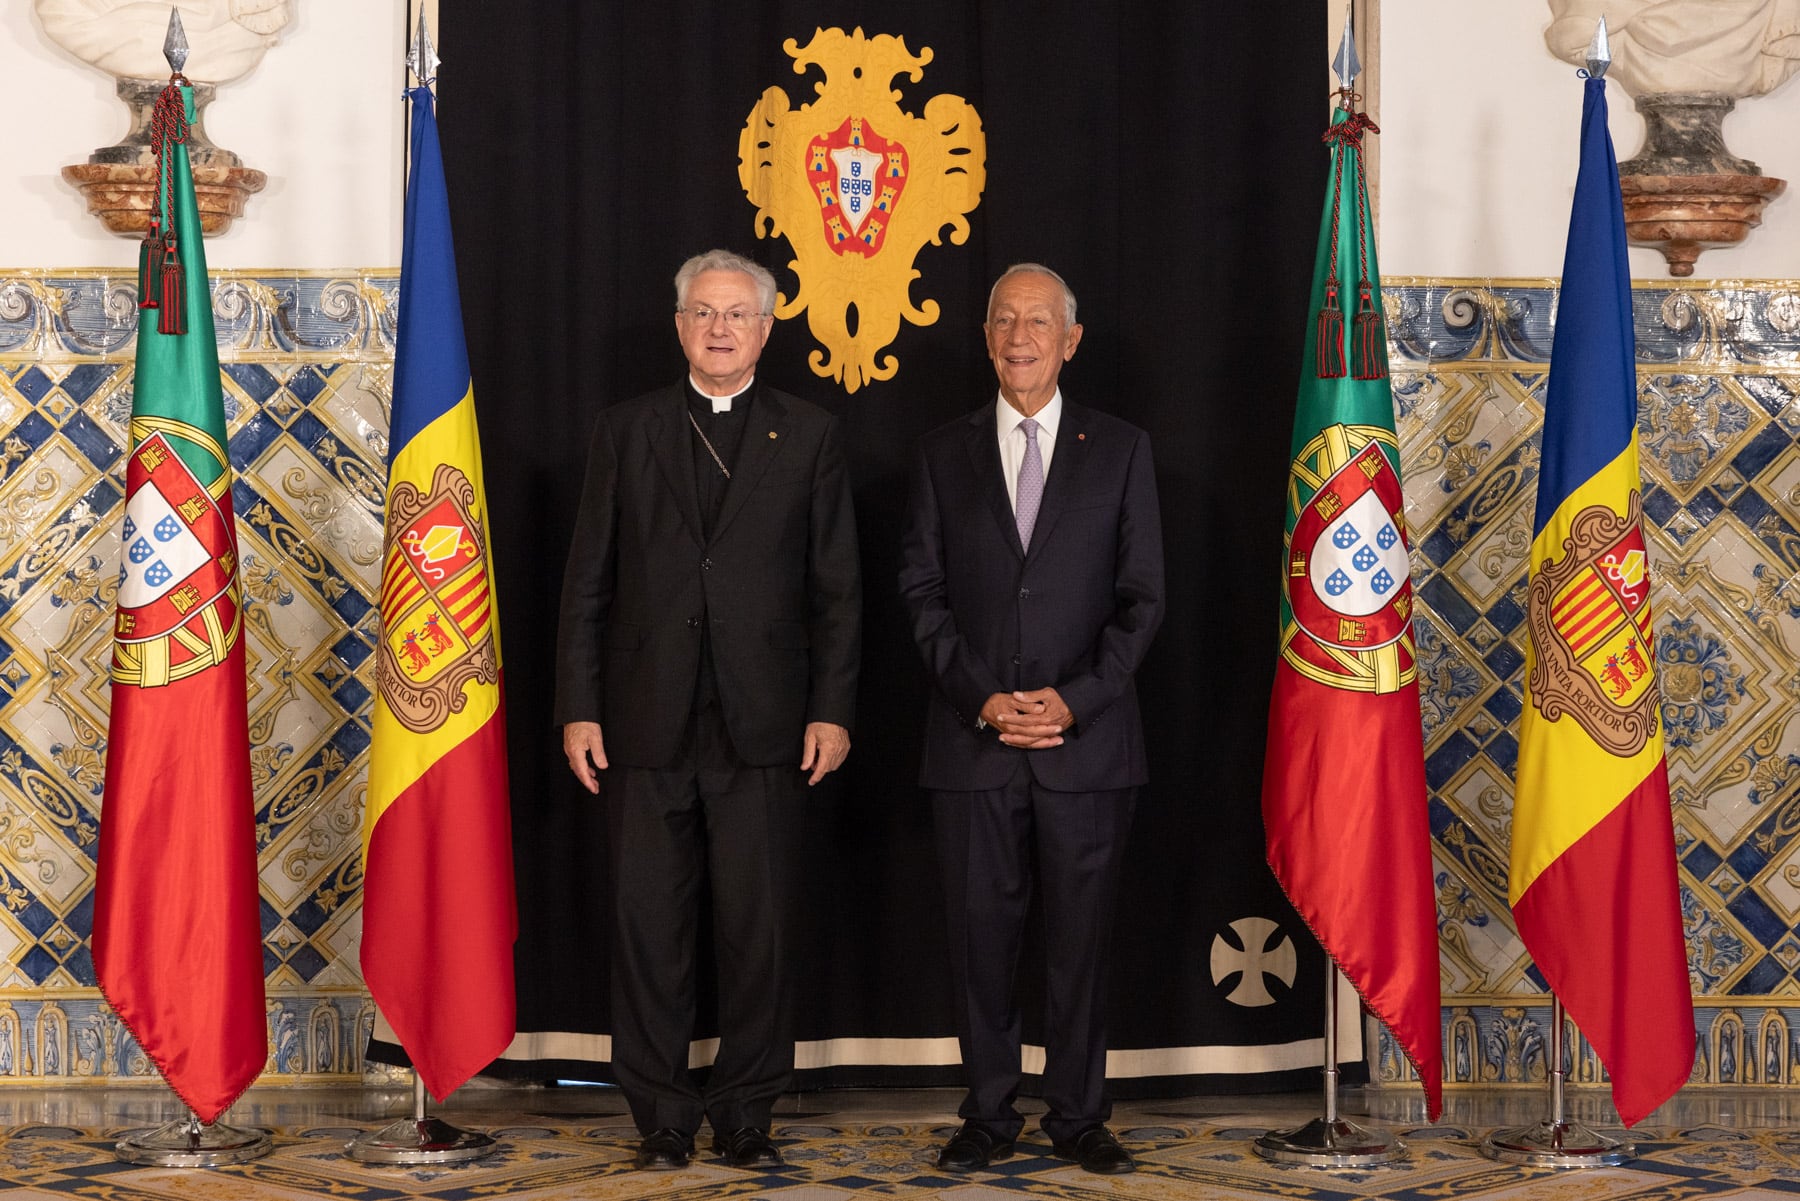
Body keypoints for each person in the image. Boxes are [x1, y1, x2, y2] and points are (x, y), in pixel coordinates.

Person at [556, 249, 860, 1171]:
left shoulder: (811, 434)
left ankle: (745, 1110)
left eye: (737, 314)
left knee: (758, 933)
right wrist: (579, 706)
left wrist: (833, 709)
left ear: (766, 329)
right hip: (643, 718)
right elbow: (587, 582)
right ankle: (659, 1114)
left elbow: (837, 590)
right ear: (680, 325)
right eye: (703, 312)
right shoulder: (626, 429)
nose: (720, 329)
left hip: (765, 723)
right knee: (649, 930)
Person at [898, 263, 1164, 1176]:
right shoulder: (942, 452)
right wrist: (980, 697)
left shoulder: (1120, 449)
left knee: (1080, 947)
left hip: (1087, 747)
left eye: (1039, 321)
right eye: (1005, 320)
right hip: (971, 746)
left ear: (1070, 339)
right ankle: (987, 1114)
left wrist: (1076, 698)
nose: (1021, 337)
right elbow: (921, 593)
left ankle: (1081, 1116)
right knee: (981, 945)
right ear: (986, 337)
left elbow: (1143, 599)